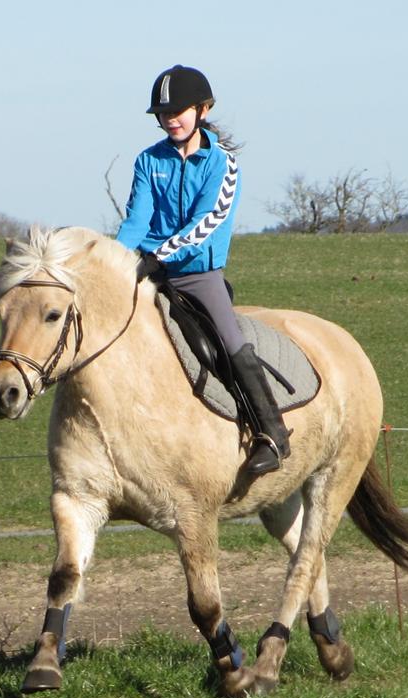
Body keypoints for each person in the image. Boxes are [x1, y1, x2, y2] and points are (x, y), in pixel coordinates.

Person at [116, 64, 289, 476]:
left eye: (179, 111)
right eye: (163, 113)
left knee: (230, 343)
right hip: (147, 271)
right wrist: (116, 261)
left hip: (197, 274)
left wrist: (160, 255)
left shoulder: (223, 165)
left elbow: (206, 222)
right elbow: (136, 220)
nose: (170, 119)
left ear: (203, 109)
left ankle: (273, 434)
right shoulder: (147, 160)